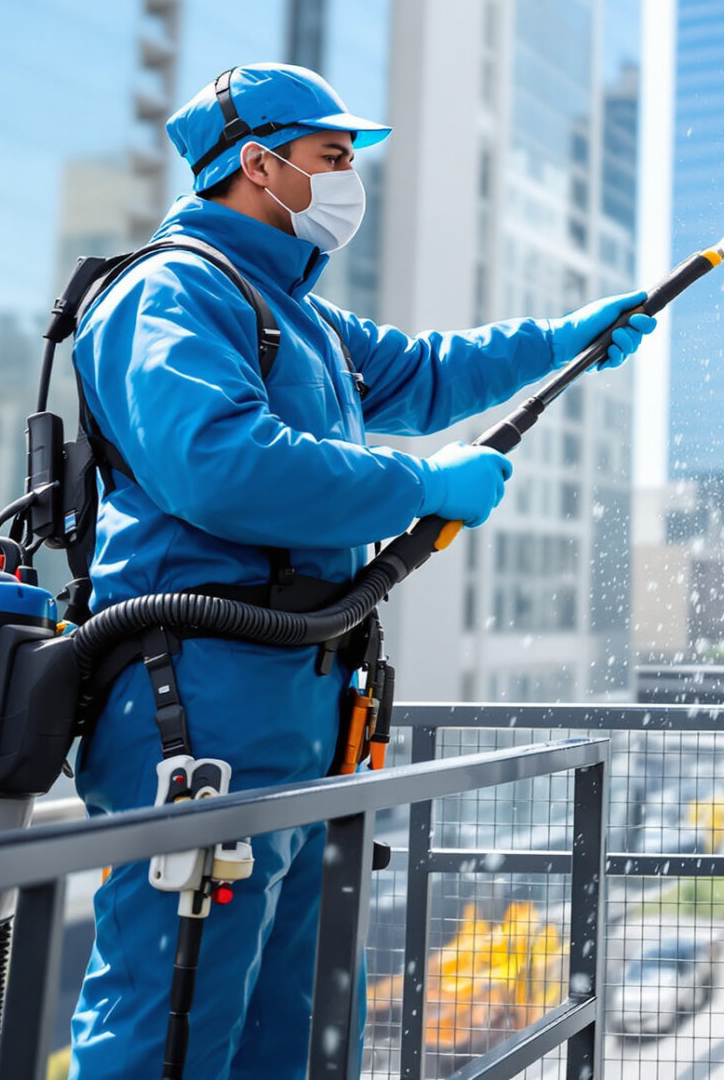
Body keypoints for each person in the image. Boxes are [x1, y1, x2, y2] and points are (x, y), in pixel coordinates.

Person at [65, 63, 653, 1076]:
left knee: (288, 1024)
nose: (349, 178)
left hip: (296, 709)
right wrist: (420, 484)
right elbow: (219, 463)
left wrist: (569, 339)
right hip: (198, 703)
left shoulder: (294, 313)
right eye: (332, 156)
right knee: (172, 1022)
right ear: (259, 164)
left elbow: (425, 373)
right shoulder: (172, 290)